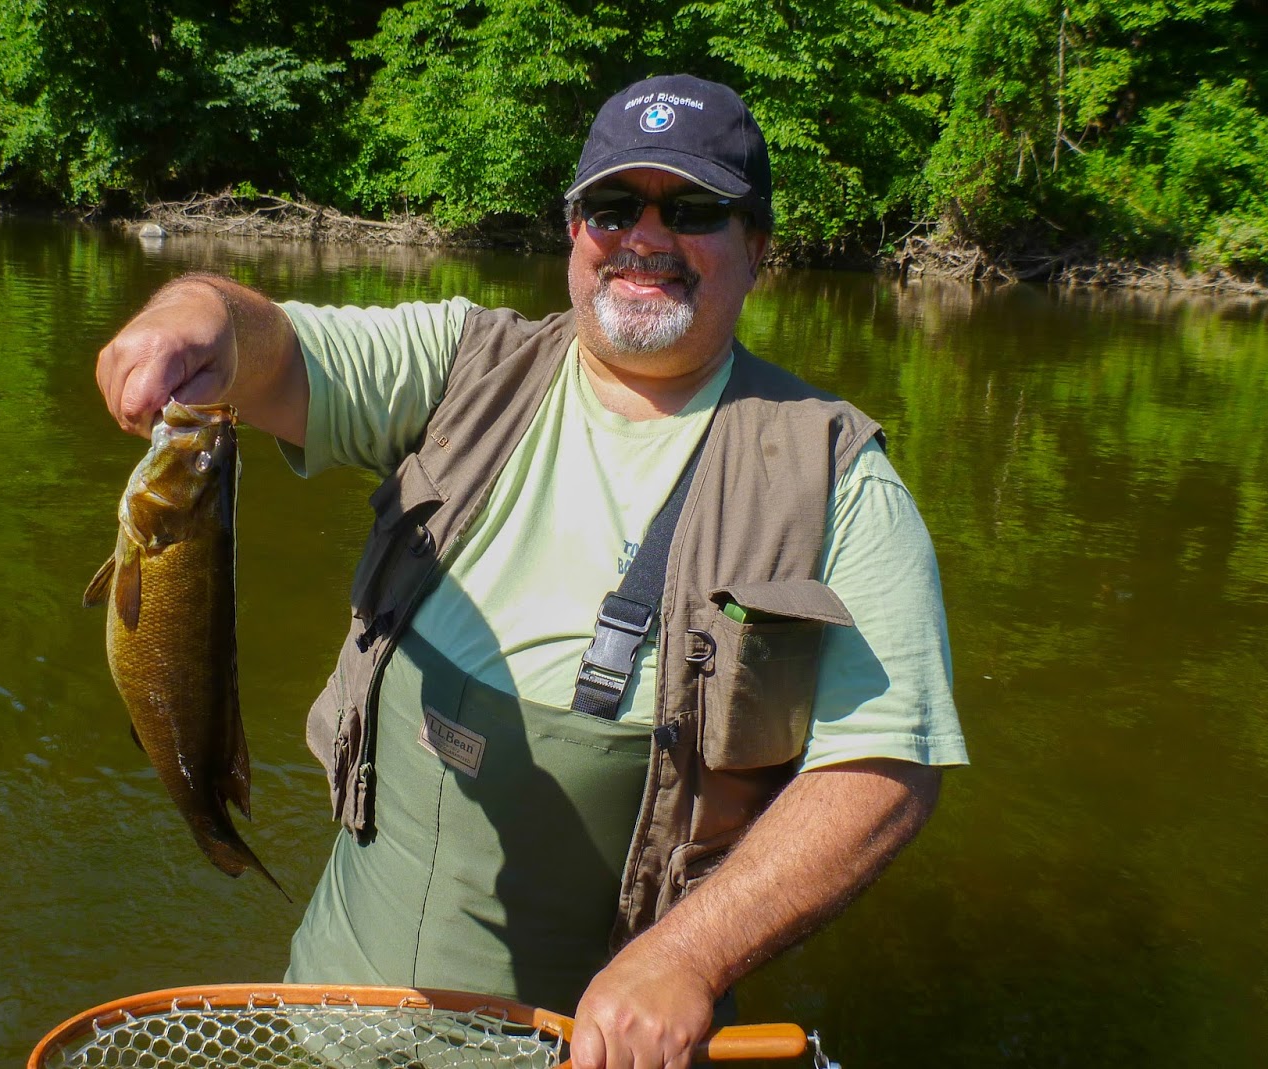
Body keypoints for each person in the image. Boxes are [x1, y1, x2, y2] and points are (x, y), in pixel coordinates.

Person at [95, 74, 967, 1069]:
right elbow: (267, 349)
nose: (644, 237)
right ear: (572, 229)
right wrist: (190, 315)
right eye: (612, 206)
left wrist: (686, 957)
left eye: (691, 211)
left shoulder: (836, 480)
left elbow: (885, 766)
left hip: (585, 1046)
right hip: (329, 1009)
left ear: (758, 246)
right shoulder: (462, 364)